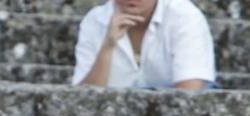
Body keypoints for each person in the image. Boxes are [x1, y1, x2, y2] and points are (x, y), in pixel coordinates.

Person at [73, 0, 215, 89]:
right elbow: (84, 101)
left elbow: (191, 91)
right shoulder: (94, 20)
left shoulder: (185, 16)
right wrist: (108, 46)